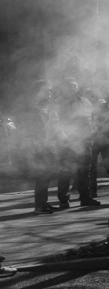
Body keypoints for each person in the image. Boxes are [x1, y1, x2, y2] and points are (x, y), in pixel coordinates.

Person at [55, 77, 99, 208]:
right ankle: (63, 200)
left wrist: (92, 134)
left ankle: (85, 197)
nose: (72, 88)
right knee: (65, 171)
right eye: (69, 86)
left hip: (85, 141)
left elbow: (92, 120)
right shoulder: (59, 103)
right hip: (67, 142)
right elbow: (56, 123)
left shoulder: (86, 102)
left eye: (74, 86)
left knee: (85, 171)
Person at [19, 80, 61, 215]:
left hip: (49, 146)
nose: (49, 93)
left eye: (50, 90)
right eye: (46, 90)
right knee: (42, 175)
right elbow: (28, 128)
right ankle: (39, 205)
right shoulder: (32, 108)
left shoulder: (47, 107)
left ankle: (44, 202)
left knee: (47, 176)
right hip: (38, 147)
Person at [82, 87, 109, 196]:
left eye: (90, 96)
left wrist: (104, 135)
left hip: (106, 140)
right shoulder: (88, 107)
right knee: (92, 165)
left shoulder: (103, 106)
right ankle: (92, 189)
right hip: (94, 140)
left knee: (108, 163)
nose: (88, 98)